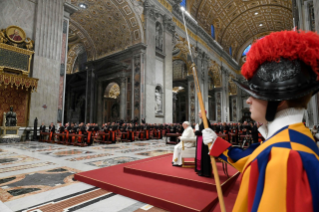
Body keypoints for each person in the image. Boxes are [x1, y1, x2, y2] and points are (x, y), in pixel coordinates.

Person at [202, 30, 319, 211]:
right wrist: (216, 143)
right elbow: (254, 157)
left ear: (278, 100)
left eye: (255, 94)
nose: (248, 100)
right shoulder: (295, 137)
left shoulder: (285, 158)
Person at [195, 110, 212, 177]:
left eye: (199, 113)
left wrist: (197, 132)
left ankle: (204, 171)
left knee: (203, 155)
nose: (198, 114)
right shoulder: (202, 120)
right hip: (200, 139)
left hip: (203, 140)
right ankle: (200, 169)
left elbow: (206, 130)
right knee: (200, 155)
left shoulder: (206, 121)